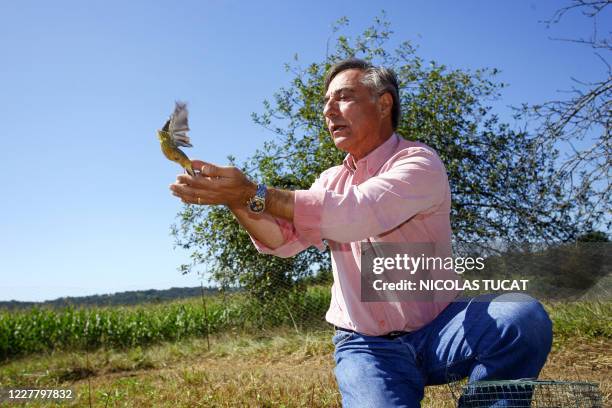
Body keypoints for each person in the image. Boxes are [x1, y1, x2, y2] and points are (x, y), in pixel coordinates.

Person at [169, 58, 553, 407]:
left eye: (344, 97)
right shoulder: (328, 180)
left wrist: (256, 193)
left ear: (384, 104)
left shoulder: (419, 162)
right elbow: (282, 242)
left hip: (440, 329)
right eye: (325, 101)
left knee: (521, 316)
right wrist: (237, 201)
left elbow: (358, 213)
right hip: (365, 346)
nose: (328, 110)